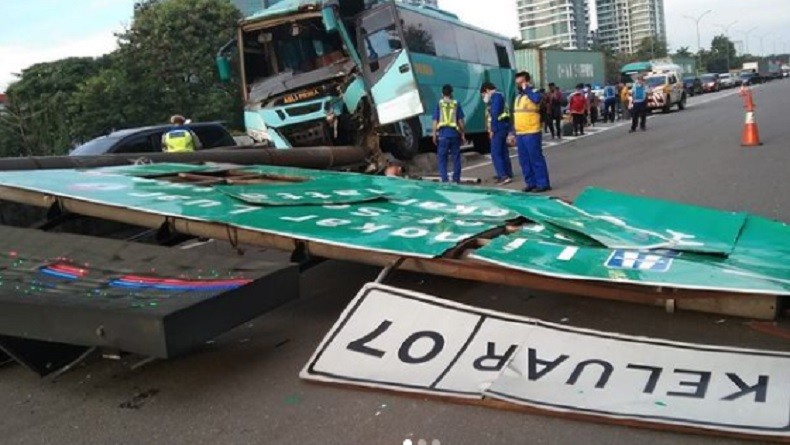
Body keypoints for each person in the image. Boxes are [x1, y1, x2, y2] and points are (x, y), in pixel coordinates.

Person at [512, 71, 551, 193]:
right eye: (517, 83)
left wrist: (527, 89)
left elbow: (537, 100)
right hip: (520, 132)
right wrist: (512, 132)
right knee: (524, 160)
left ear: (527, 82)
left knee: (535, 158)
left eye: (521, 82)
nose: (519, 85)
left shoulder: (534, 93)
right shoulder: (518, 97)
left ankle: (543, 183)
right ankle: (530, 183)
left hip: (532, 131)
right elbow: (516, 114)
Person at [432, 84, 466, 183]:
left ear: (442, 93)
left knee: (442, 159)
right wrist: (463, 134)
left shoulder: (439, 104)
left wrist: (434, 134)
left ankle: (444, 179)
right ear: (451, 93)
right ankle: (456, 179)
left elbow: (435, 121)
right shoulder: (456, 103)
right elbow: (461, 121)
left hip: (443, 135)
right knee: (456, 158)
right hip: (455, 134)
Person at [481, 82, 513, 185]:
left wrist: (492, 130)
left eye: (483, 94)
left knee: (496, 153)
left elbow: (494, 114)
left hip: (498, 128)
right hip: (503, 127)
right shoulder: (500, 96)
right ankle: (507, 172)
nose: (484, 97)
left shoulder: (495, 97)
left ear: (487, 90)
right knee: (503, 151)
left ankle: (503, 176)